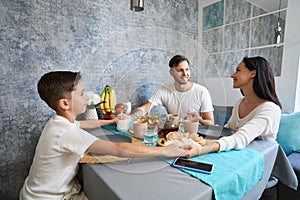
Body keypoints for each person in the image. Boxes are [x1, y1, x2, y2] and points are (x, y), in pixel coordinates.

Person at [19, 71, 199, 200]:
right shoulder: (66, 132)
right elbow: (118, 149)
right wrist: (166, 151)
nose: (87, 98)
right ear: (65, 103)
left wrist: (109, 121)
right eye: (82, 94)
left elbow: (84, 123)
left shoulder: (58, 123)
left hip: (36, 191)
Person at [195, 56, 282, 155]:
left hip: (261, 160)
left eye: (238, 70)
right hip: (239, 154)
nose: (232, 75)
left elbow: (241, 137)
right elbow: (227, 131)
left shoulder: (270, 109)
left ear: (253, 73)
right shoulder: (240, 103)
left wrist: (201, 149)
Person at [132, 54, 214, 125]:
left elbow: (210, 122)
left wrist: (198, 119)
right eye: (180, 70)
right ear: (171, 72)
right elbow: (145, 108)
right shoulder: (164, 91)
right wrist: (129, 117)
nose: (185, 74)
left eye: (187, 69)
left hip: (195, 135)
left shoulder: (202, 91)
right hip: (173, 134)